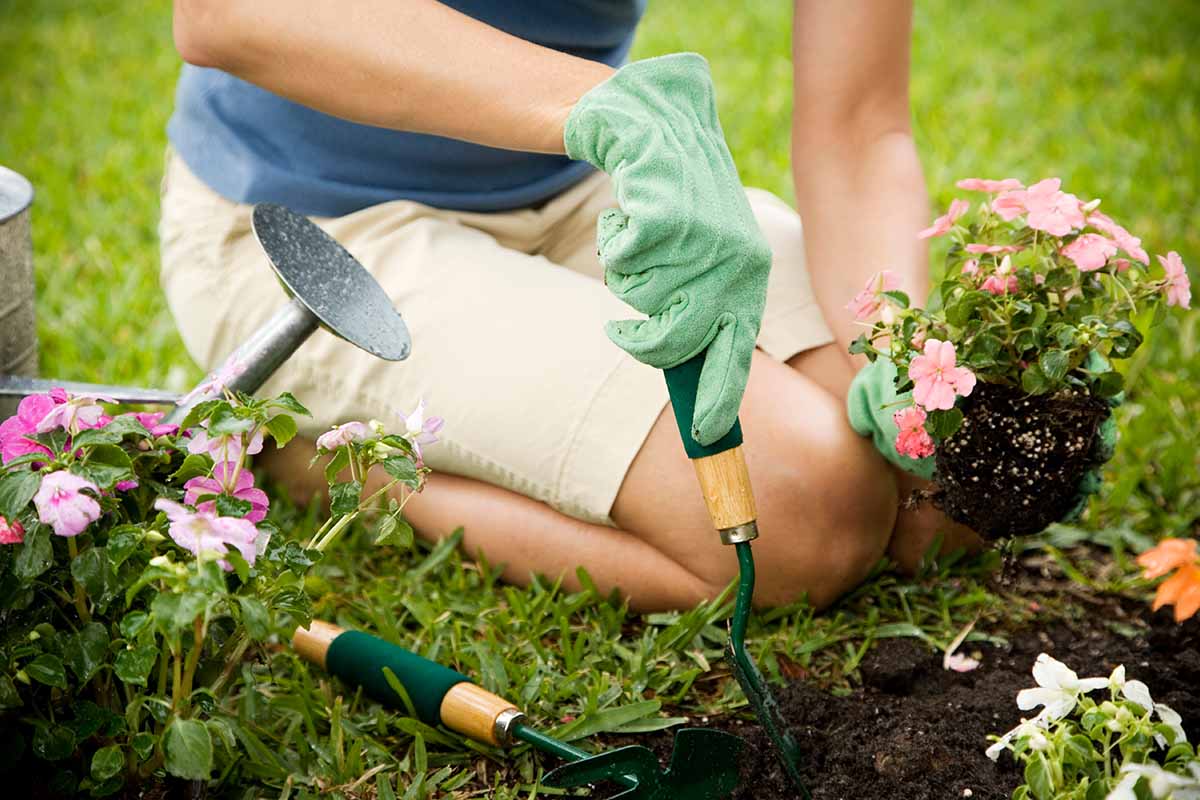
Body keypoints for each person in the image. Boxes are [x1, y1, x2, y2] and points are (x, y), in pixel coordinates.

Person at [162, 0, 980, 612]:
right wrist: (609, 108)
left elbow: (859, 125)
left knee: (940, 505)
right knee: (803, 521)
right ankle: (335, 465)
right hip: (319, 233)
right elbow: (227, 11)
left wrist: (896, 355)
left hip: (570, 180)